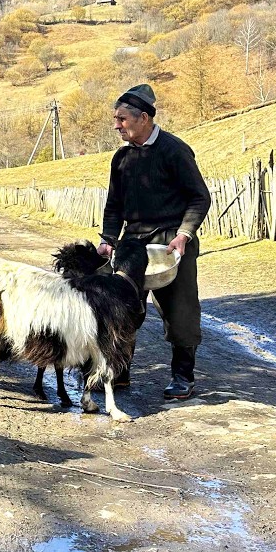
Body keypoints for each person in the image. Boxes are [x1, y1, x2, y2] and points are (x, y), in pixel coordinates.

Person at [97, 84, 211, 400]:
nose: (116, 125)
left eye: (122, 119)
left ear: (143, 118)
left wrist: (184, 234)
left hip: (171, 243)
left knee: (180, 310)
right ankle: (118, 373)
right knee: (120, 307)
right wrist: (108, 240)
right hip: (132, 245)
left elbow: (200, 197)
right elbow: (114, 204)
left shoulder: (175, 151)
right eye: (116, 119)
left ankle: (183, 377)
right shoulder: (121, 159)